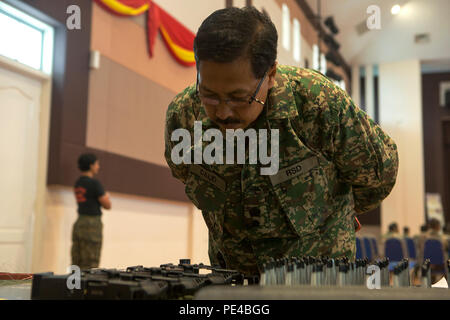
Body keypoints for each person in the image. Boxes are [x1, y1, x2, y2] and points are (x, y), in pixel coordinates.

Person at [164, 7, 398, 277]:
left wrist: (334, 211)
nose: (224, 112)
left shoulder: (318, 105)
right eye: (210, 95)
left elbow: (379, 174)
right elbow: (183, 172)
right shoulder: (185, 117)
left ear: (271, 74)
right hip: (234, 282)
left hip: (318, 282)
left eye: (239, 97)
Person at [71, 153, 111, 270]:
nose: (98, 166)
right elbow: (107, 205)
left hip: (79, 222)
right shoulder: (94, 183)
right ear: (91, 165)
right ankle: (86, 288)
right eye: (97, 164)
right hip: (92, 226)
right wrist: (107, 196)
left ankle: (74, 286)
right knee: (90, 263)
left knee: (76, 261)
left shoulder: (78, 182)